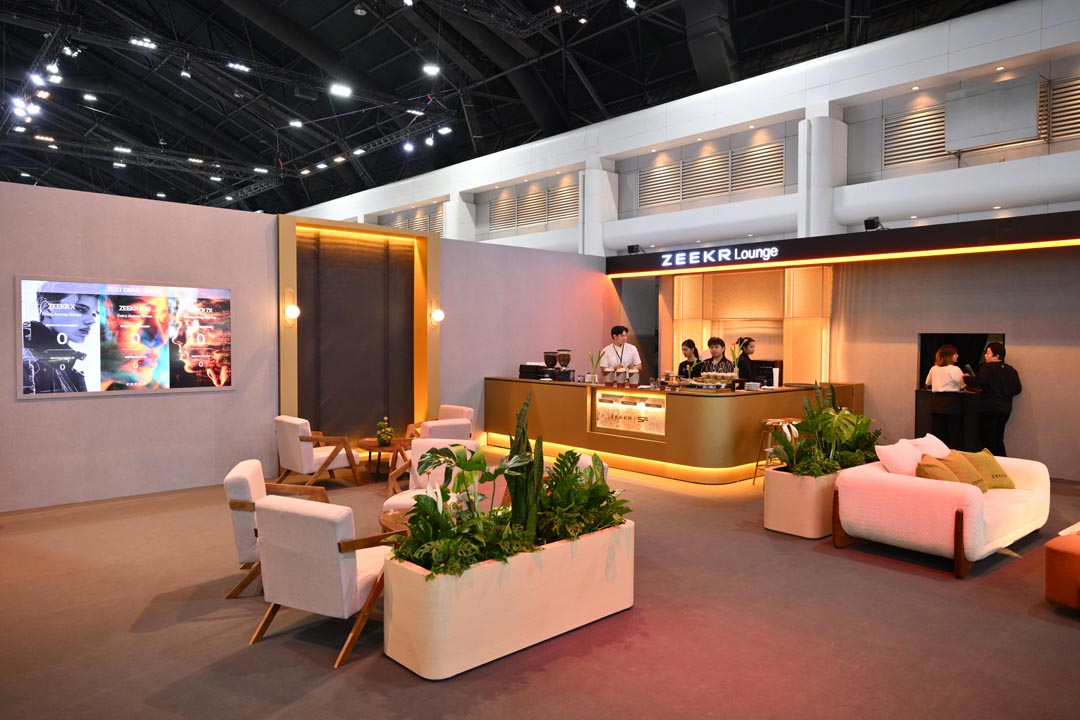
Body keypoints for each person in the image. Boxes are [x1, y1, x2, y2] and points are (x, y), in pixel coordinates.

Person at [22, 283, 99, 394]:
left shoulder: (65, 367)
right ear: (47, 308)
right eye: (80, 309)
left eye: (94, 314)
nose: (91, 321)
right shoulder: (29, 364)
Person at [964, 342, 1021, 456]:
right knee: (998, 438)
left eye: (988, 353)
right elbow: (1017, 389)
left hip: (988, 407)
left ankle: (990, 463)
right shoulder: (1011, 370)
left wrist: (966, 379)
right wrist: (1004, 394)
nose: (985, 355)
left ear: (997, 356)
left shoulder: (988, 367)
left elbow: (978, 381)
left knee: (987, 439)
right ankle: (1003, 462)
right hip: (1005, 409)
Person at [925, 344, 970, 448]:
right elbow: (963, 385)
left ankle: (939, 456)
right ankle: (955, 456)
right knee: (955, 434)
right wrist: (967, 378)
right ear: (949, 356)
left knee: (938, 435)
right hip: (951, 403)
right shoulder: (954, 369)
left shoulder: (934, 368)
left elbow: (928, 382)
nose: (957, 355)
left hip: (936, 403)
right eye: (955, 354)